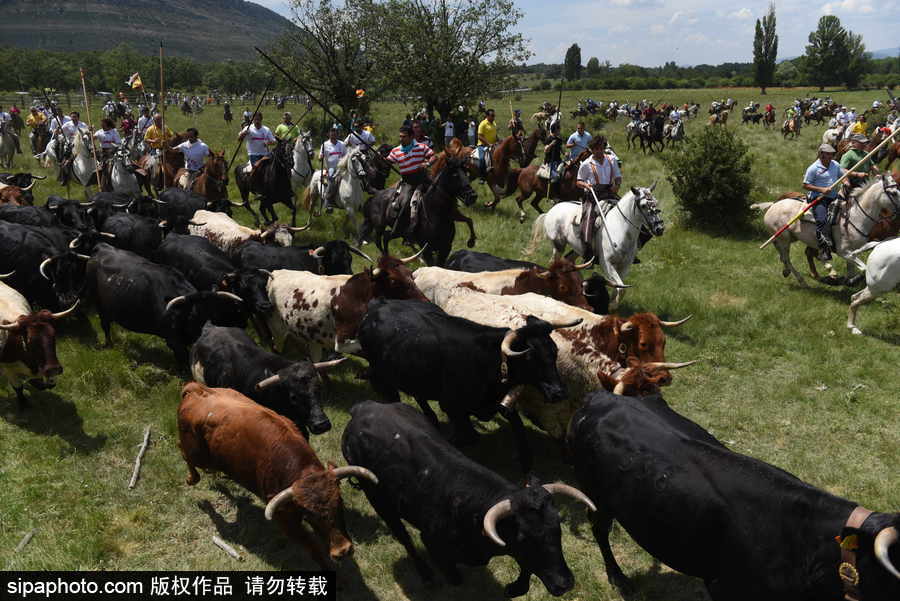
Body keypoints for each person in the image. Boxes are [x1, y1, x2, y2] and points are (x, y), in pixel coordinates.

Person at [803, 143, 855, 261]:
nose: (831, 156)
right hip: (818, 198)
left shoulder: (835, 164)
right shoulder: (813, 168)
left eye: (832, 154)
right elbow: (805, 185)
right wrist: (821, 190)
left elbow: (843, 175)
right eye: (828, 154)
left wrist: (846, 182)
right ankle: (824, 249)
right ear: (821, 154)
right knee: (822, 220)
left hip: (834, 196)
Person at [576, 135, 622, 259]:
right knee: (588, 220)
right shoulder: (586, 164)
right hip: (593, 195)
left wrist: (617, 185)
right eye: (596, 149)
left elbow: (618, 176)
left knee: (627, 212)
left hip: (609, 192)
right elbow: (578, 181)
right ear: (592, 150)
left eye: (601, 148)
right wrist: (586, 185)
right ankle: (587, 251)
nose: (599, 151)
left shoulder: (612, 159)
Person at [386, 125, 435, 237]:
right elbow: (388, 162)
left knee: (441, 192)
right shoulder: (396, 151)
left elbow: (433, 156)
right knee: (406, 203)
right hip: (409, 183)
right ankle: (404, 230)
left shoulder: (421, 147)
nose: (401, 139)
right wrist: (381, 159)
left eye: (404, 137)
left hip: (424, 179)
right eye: (400, 136)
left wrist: (427, 163)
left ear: (411, 137)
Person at [318, 125, 347, 211]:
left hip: (341, 168)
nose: (333, 135)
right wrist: (321, 157)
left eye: (335, 134)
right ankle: (328, 201)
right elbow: (320, 157)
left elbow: (345, 155)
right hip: (330, 168)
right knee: (332, 180)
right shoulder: (325, 145)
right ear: (329, 134)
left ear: (337, 134)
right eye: (332, 134)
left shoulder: (342, 144)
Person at [94, 118, 122, 189]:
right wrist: (89, 132)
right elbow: (93, 137)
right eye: (101, 125)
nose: (102, 126)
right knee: (104, 167)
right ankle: (104, 184)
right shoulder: (99, 132)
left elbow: (118, 143)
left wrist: (112, 148)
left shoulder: (114, 132)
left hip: (114, 151)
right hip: (104, 153)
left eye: (103, 125)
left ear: (108, 125)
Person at [476, 108, 498, 178]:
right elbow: (480, 136)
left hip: (493, 145)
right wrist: (488, 144)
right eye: (492, 115)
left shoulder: (494, 123)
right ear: (487, 116)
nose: (494, 117)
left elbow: (495, 135)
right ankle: (482, 176)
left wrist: (499, 140)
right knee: (482, 159)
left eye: (494, 115)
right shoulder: (483, 124)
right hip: (482, 146)